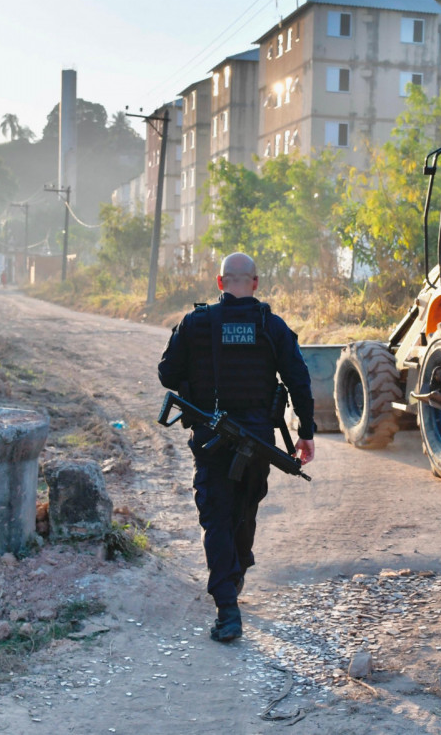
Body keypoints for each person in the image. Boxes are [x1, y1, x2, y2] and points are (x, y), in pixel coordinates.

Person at [157, 252, 315, 643]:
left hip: (212, 439)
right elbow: (299, 381)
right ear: (256, 284)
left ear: (220, 282)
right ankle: (232, 588)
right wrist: (306, 433)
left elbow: (167, 373)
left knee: (217, 515)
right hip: (258, 441)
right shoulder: (271, 327)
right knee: (243, 509)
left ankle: (228, 600)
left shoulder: (196, 324)